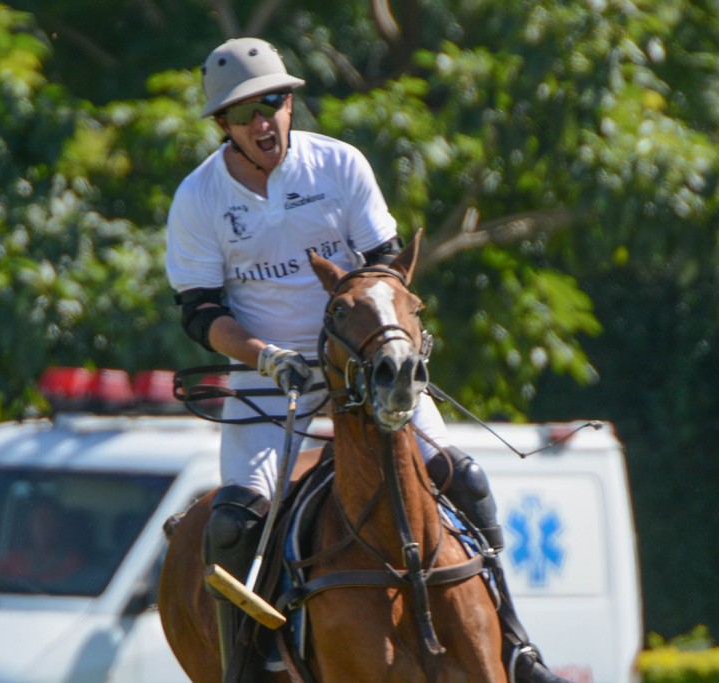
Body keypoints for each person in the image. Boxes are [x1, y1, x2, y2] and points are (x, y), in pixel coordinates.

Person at [165, 37, 561, 683]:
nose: (264, 121)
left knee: (464, 478)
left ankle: (516, 643)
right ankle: (246, 664)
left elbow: (384, 263)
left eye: (274, 102)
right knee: (234, 523)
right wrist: (267, 357)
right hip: (273, 384)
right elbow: (201, 312)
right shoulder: (199, 199)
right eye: (244, 113)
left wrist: (383, 344)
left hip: (369, 364)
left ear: (291, 103)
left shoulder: (339, 166)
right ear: (223, 125)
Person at [0, 498, 86, 584]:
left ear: (59, 525)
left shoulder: (74, 564)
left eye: (49, 520)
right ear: (30, 525)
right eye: (39, 520)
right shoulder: (10, 562)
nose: (44, 527)